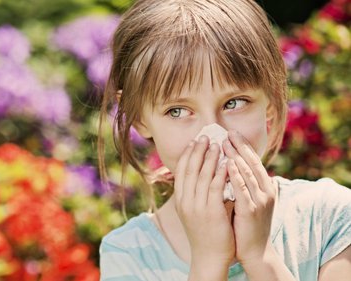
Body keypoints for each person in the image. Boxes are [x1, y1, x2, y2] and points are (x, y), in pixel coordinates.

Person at [97, 0, 351, 280]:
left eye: (234, 103)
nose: (213, 134)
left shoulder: (331, 218)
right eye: (178, 111)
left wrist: (260, 256)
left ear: (271, 98)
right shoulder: (128, 253)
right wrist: (209, 259)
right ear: (139, 118)